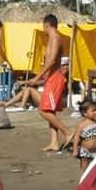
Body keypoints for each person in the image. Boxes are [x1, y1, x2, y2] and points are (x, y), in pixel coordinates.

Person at [24, 14, 70, 151]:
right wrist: (42, 78)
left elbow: (51, 61)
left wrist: (36, 78)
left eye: (44, 27)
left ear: (47, 25)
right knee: (50, 111)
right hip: (51, 78)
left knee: (43, 111)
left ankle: (67, 132)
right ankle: (54, 142)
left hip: (55, 79)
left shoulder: (55, 38)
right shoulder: (52, 38)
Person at [69, 99, 96, 172]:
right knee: (84, 164)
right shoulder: (82, 125)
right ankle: (84, 177)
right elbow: (76, 137)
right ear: (85, 113)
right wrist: (75, 149)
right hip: (85, 150)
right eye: (93, 111)